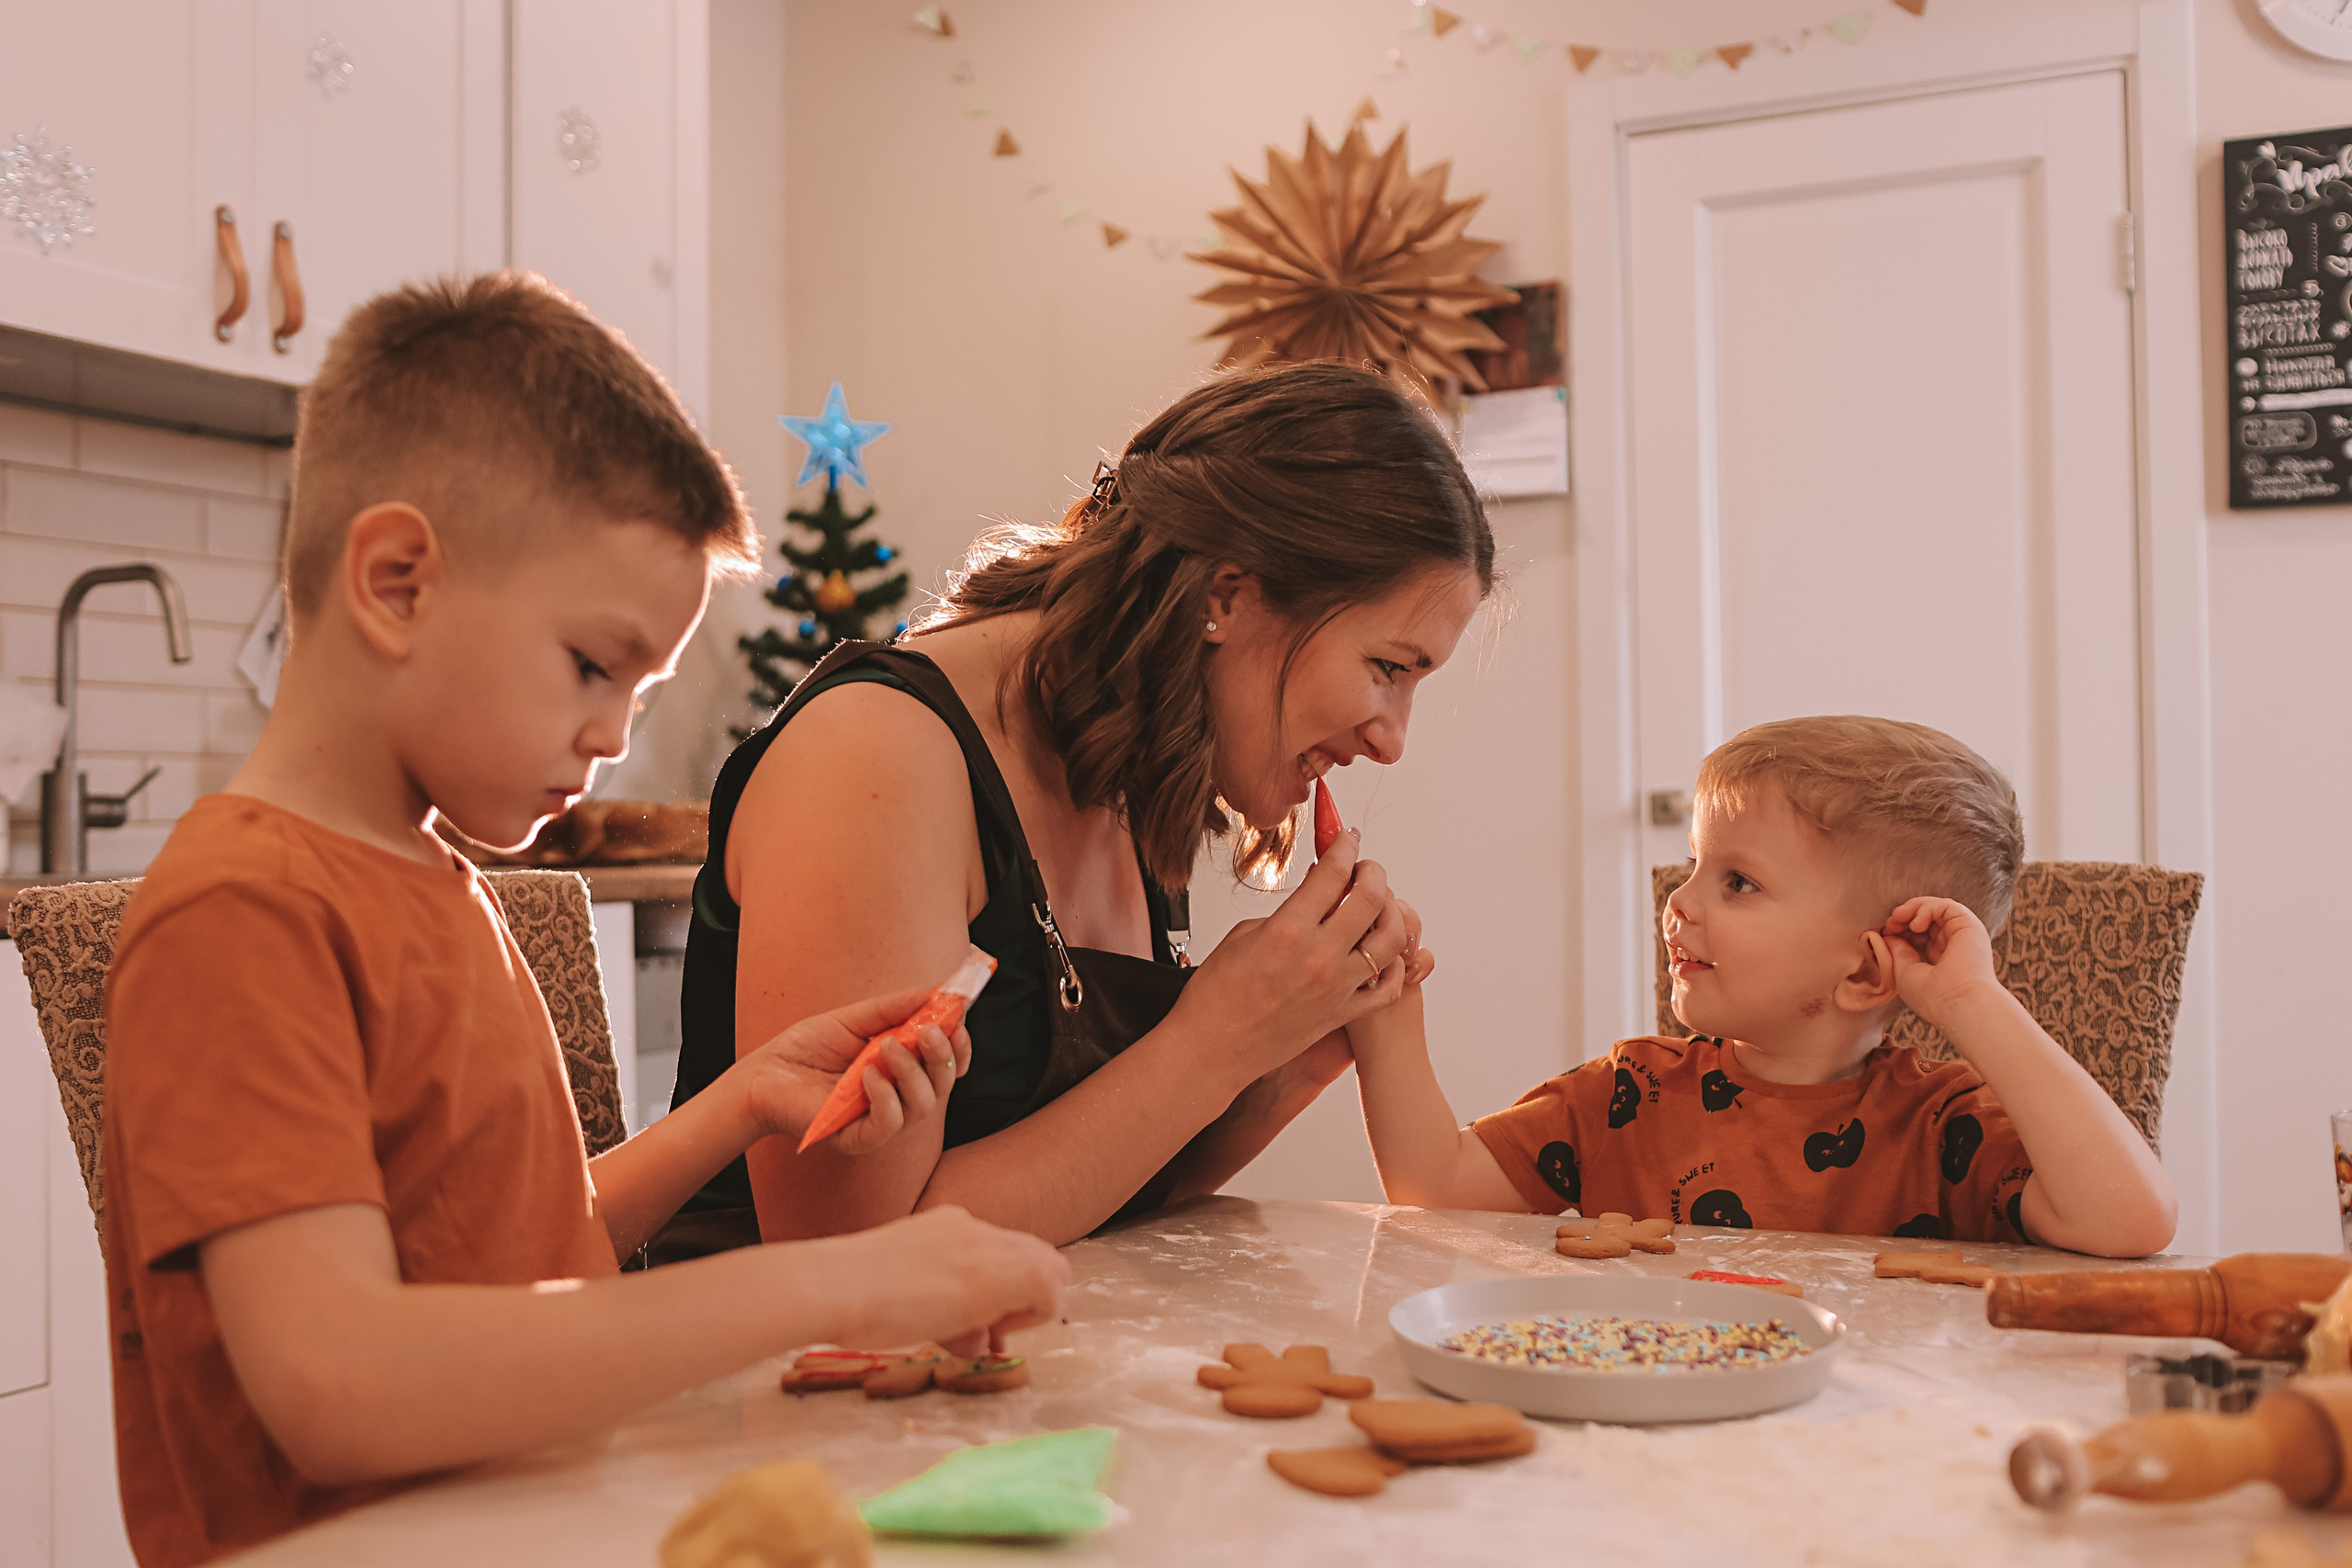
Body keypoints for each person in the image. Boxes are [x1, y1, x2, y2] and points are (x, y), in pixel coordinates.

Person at [98, 275, 1069, 1568]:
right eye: (594, 664)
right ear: (396, 582)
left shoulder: (436, 879)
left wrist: (734, 1105)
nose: (616, 735)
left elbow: (501, 1256)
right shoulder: (246, 911)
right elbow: (343, 1378)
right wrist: (833, 1283)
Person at [663, 362, 1487, 1252]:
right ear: (1226, 597)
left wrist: (1281, 1058)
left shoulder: (1130, 760)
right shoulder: (877, 754)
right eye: (1388, 669)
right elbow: (845, 1252)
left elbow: (1097, 1183)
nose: (1391, 740)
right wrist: (1215, 1039)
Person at [1350, 715, 2178, 1257]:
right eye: (1696, 867)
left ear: (1862, 967)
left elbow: (2132, 1219)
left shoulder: (1942, 1129)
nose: (1681, 902)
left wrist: (1973, 1002)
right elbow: (1438, 1191)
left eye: (1737, 882)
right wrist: (1387, 1009)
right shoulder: (1627, 1096)